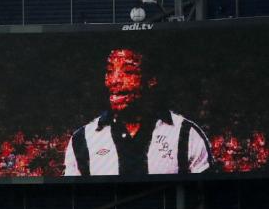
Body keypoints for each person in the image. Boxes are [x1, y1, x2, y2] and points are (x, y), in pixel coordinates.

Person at [64, 47, 212, 176]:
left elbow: (203, 197)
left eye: (128, 71)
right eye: (110, 71)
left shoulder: (187, 134)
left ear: (151, 79)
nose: (114, 80)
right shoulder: (81, 139)